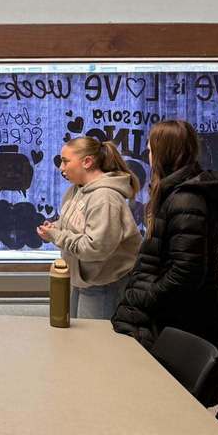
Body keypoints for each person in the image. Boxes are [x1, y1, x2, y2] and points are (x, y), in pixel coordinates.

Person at [112, 120, 218, 408]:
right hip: (179, 316)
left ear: (164, 153)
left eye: (150, 150)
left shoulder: (186, 199)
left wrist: (143, 296)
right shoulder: (177, 194)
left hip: (183, 320)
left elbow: (186, 272)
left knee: (175, 406)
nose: (148, 156)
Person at [36, 137, 142, 320]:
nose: (61, 167)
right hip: (81, 280)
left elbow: (95, 248)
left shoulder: (105, 198)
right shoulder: (75, 190)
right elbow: (73, 225)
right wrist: (55, 228)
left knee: (94, 337)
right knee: (77, 334)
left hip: (103, 284)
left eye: (66, 161)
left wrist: (58, 236)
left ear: (87, 162)